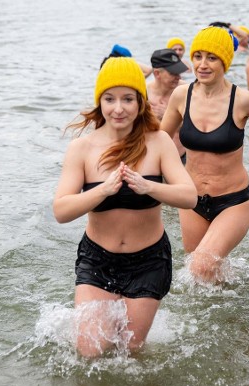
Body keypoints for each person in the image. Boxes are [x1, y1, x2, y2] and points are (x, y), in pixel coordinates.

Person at [52, 56, 197, 357]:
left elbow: (189, 196)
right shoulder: (82, 148)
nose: (119, 108)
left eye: (128, 99)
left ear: (140, 102)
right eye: (110, 99)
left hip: (148, 261)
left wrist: (149, 187)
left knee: (129, 352)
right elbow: (61, 210)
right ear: (100, 103)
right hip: (97, 260)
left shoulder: (158, 142)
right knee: (89, 351)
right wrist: (103, 191)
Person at [161, 25, 249, 284]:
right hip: (191, 200)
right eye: (198, 56)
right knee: (201, 277)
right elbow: (160, 140)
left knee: (201, 266)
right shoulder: (180, 96)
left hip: (233, 201)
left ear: (225, 62)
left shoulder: (242, 100)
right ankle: (235, 305)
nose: (203, 64)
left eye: (212, 58)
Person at [147, 48, 189, 160]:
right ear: (157, 73)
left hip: (182, 157)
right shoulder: (144, 94)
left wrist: (169, 115)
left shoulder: (186, 91)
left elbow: (199, 130)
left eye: (179, 72)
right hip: (154, 157)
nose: (178, 77)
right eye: (173, 73)